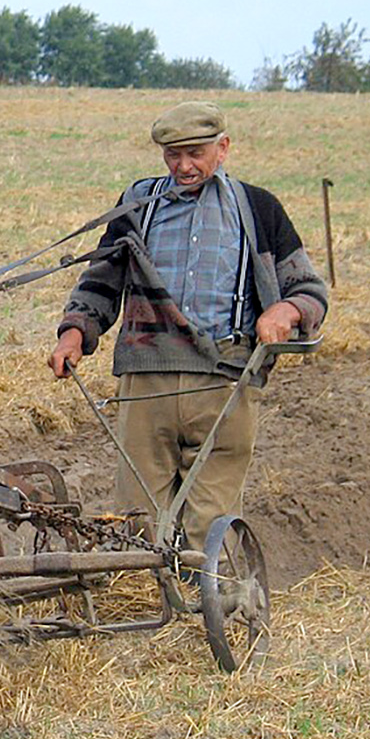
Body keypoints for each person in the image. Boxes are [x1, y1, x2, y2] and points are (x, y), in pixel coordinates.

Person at [47, 101, 329, 550]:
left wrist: (285, 312)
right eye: (172, 155)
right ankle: (148, 603)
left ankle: (208, 600)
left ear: (223, 148)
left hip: (226, 380)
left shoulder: (258, 209)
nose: (184, 166)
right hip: (147, 379)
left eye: (195, 153)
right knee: (136, 517)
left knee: (211, 520)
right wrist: (75, 332)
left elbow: (310, 291)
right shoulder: (137, 205)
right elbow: (101, 280)